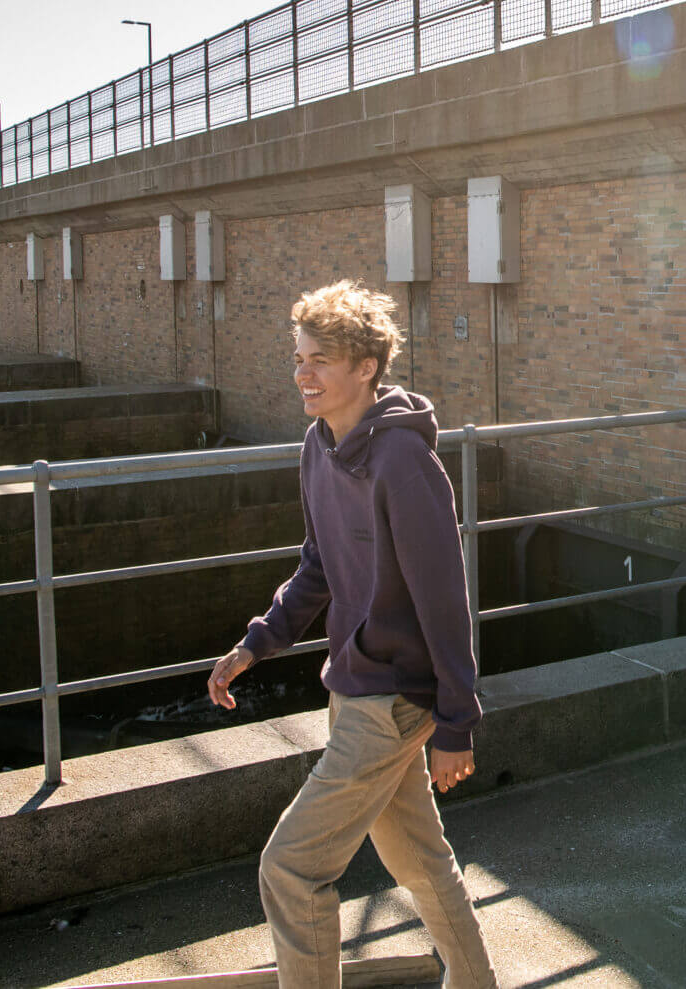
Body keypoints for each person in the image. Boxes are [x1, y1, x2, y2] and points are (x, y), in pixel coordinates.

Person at [207, 280, 496, 989]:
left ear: (365, 366)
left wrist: (456, 721)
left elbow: (445, 598)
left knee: (292, 867)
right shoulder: (318, 447)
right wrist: (258, 640)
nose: (303, 373)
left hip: (393, 699)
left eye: (321, 360)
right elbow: (319, 563)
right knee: (421, 862)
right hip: (353, 689)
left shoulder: (402, 460)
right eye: (299, 358)